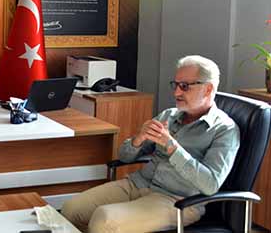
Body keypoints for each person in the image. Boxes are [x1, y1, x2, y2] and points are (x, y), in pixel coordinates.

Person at [61, 55, 240, 233]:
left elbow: (210, 185)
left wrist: (172, 147)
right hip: (139, 183)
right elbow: (124, 157)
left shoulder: (225, 130)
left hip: (176, 200)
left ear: (208, 89)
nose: (176, 93)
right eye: (175, 85)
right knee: (71, 209)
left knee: (104, 222)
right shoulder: (168, 115)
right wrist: (138, 139)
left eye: (185, 86)